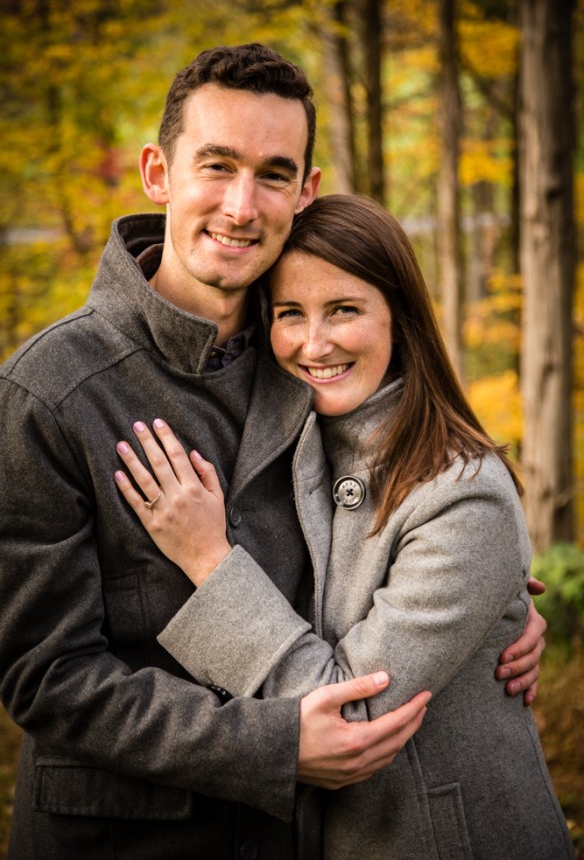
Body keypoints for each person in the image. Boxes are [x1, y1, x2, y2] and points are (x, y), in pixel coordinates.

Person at [0, 43, 544, 860]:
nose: (241, 204)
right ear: (158, 172)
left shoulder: (303, 354)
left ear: (305, 190)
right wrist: (273, 743)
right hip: (126, 839)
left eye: (273, 173)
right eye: (217, 165)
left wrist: (496, 602)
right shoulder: (47, 390)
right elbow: (45, 675)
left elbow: (396, 511)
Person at [114, 195, 572, 859]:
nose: (314, 343)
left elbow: (350, 715)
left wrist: (209, 561)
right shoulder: (293, 452)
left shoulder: (464, 492)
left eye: (344, 310)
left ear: (401, 320)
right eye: (290, 313)